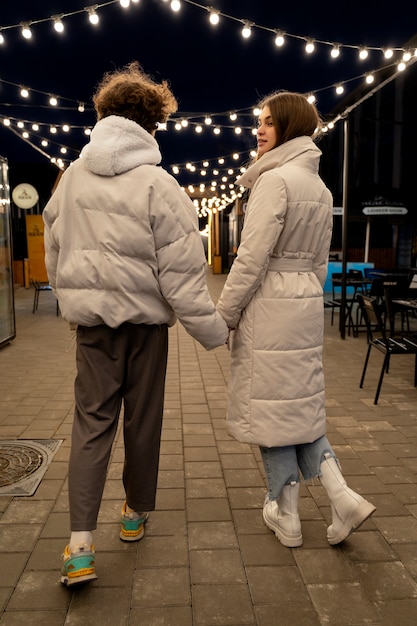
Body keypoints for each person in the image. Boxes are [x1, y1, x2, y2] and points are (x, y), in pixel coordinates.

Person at [43, 62, 228, 586]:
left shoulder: (71, 178)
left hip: (93, 331)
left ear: (103, 115)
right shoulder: (159, 183)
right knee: (142, 421)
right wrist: (214, 332)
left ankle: (79, 547)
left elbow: (55, 254)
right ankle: (132, 514)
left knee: (90, 425)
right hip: (146, 330)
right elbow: (183, 276)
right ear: (151, 123)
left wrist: (71, 304)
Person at [216, 91, 375, 548]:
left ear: (289, 126)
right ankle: (340, 496)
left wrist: (226, 313)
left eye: (269, 122)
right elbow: (321, 262)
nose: (259, 130)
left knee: (270, 410)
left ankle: (287, 516)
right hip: (303, 303)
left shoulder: (275, 180)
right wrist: (304, 291)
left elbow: (251, 258)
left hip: (269, 305)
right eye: (258, 122)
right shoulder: (321, 188)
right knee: (297, 408)